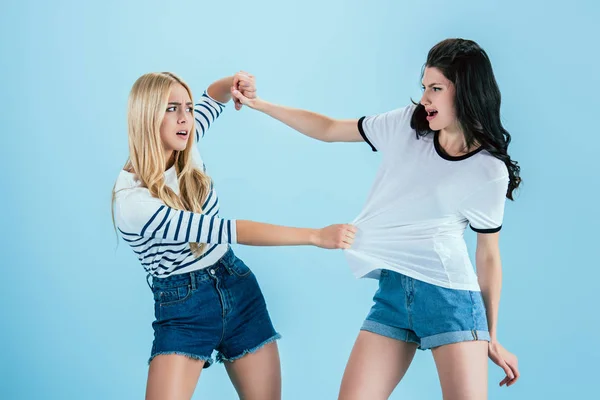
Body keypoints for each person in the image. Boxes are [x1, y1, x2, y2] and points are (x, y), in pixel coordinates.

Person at [232, 38, 521, 399]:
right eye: (424, 87)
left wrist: (492, 336)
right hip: (394, 294)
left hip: (451, 300)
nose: (426, 98)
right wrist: (259, 104)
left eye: (436, 89)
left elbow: (488, 254)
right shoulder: (405, 125)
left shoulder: (488, 171)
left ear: (465, 93)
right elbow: (328, 129)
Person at [111, 71, 356, 400]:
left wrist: (233, 84)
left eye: (188, 107)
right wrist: (314, 236)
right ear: (146, 116)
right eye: (171, 109)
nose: (185, 118)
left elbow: (213, 97)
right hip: (183, 307)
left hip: (237, 286)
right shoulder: (134, 202)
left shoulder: (185, 141)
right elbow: (228, 229)